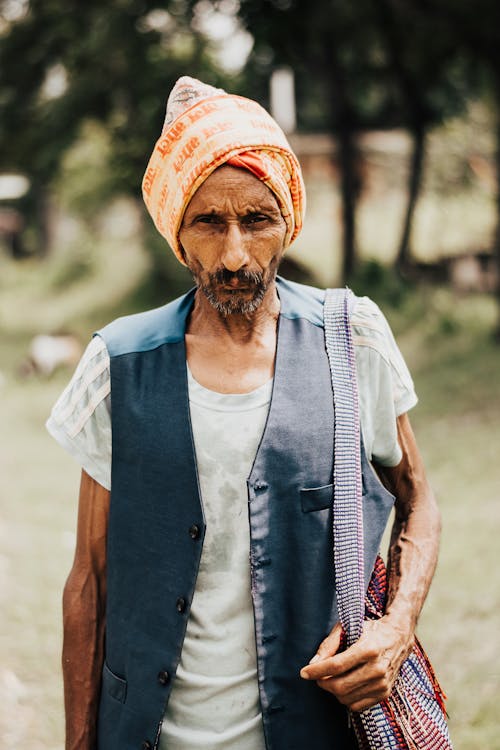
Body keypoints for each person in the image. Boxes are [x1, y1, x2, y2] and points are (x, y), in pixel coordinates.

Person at [47, 77, 441, 750]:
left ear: (287, 220)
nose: (234, 256)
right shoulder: (118, 363)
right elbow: (90, 578)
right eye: (209, 222)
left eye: (256, 220)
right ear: (178, 232)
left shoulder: (354, 340)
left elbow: (418, 499)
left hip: (316, 729)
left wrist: (397, 626)